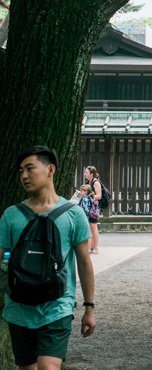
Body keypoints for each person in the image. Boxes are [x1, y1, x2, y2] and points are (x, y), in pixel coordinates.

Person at [1, 146, 95, 369]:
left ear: (50, 169)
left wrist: (89, 308)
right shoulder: (10, 215)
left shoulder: (74, 214)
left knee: (48, 367)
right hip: (18, 307)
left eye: (30, 168)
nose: (24, 175)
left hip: (58, 305)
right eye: (21, 170)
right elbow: (2, 260)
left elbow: (84, 262)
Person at [83, 166, 103, 255]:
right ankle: (90, 247)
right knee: (90, 227)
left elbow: (99, 196)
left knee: (94, 228)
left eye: (86, 173)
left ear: (91, 174)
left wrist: (90, 196)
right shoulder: (88, 182)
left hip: (94, 209)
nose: (84, 174)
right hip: (88, 208)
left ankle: (95, 247)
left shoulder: (96, 182)